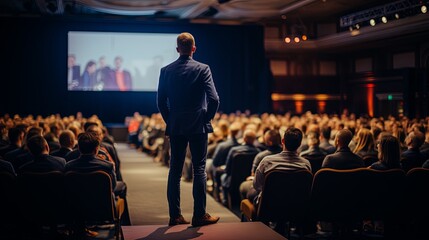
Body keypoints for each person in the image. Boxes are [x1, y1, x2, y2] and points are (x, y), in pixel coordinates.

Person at [157, 32, 220, 227]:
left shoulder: (166, 70)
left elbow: (160, 102)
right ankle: (199, 215)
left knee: (174, 170)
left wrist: (171, 119)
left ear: (177, 49)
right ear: (194, 48)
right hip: (197, 125)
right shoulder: (203, 68)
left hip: (176, 124)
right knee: (199, 168)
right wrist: (205, 118)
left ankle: (175, 216)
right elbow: (214, 99)